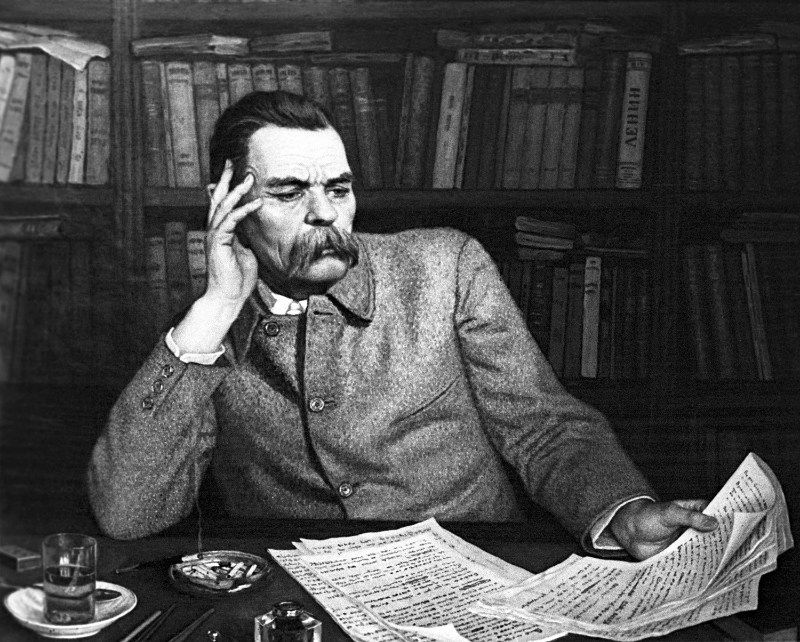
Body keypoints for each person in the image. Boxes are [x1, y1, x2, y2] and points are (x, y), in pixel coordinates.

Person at [87, 90, 717, 558]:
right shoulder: (202, 332)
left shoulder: (445, 265)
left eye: (339, 188)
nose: (324, 213)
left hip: (470, 568)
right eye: (289, 192)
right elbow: (126, 514)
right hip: (305, 594)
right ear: (227, 203)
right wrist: (218, 308)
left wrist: (623, 511)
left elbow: (541, 424)